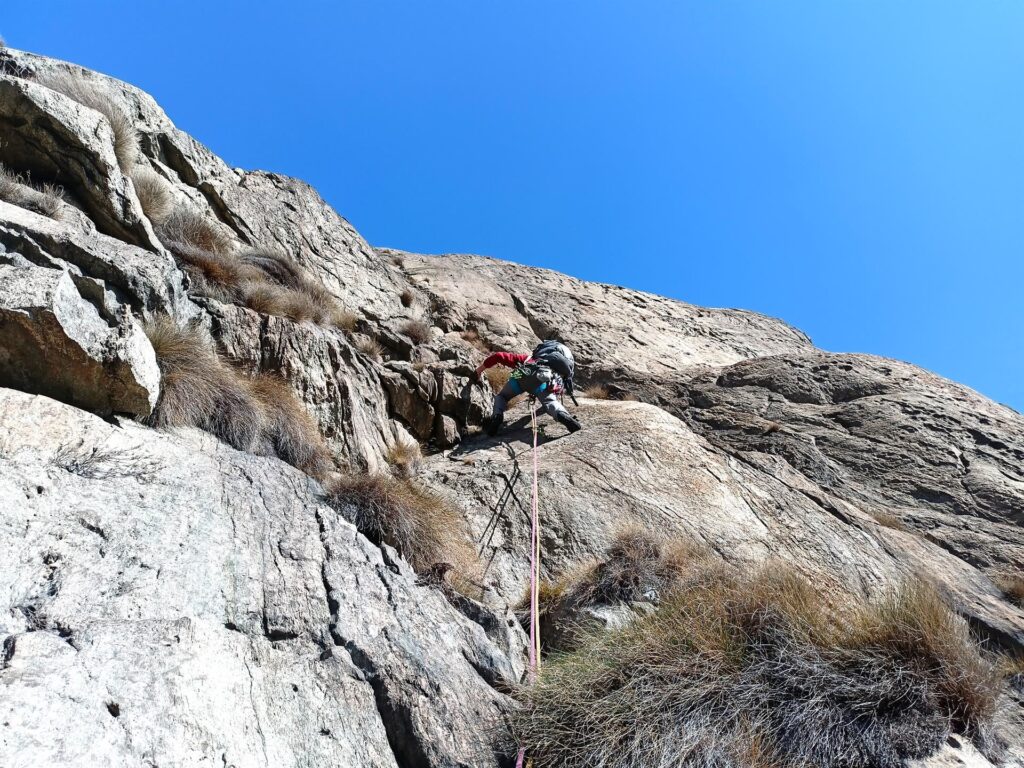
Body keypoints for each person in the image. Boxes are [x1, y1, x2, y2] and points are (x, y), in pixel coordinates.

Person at [475, 339, 582, 436]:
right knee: (550, 402)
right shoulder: (558, 374)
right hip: (543, 381)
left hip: (520, 375)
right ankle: (561, 414)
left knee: (502, 397)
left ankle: (497, 416)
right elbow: (557, 390)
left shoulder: (530, 359)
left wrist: (479, 370)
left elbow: (499, 356)